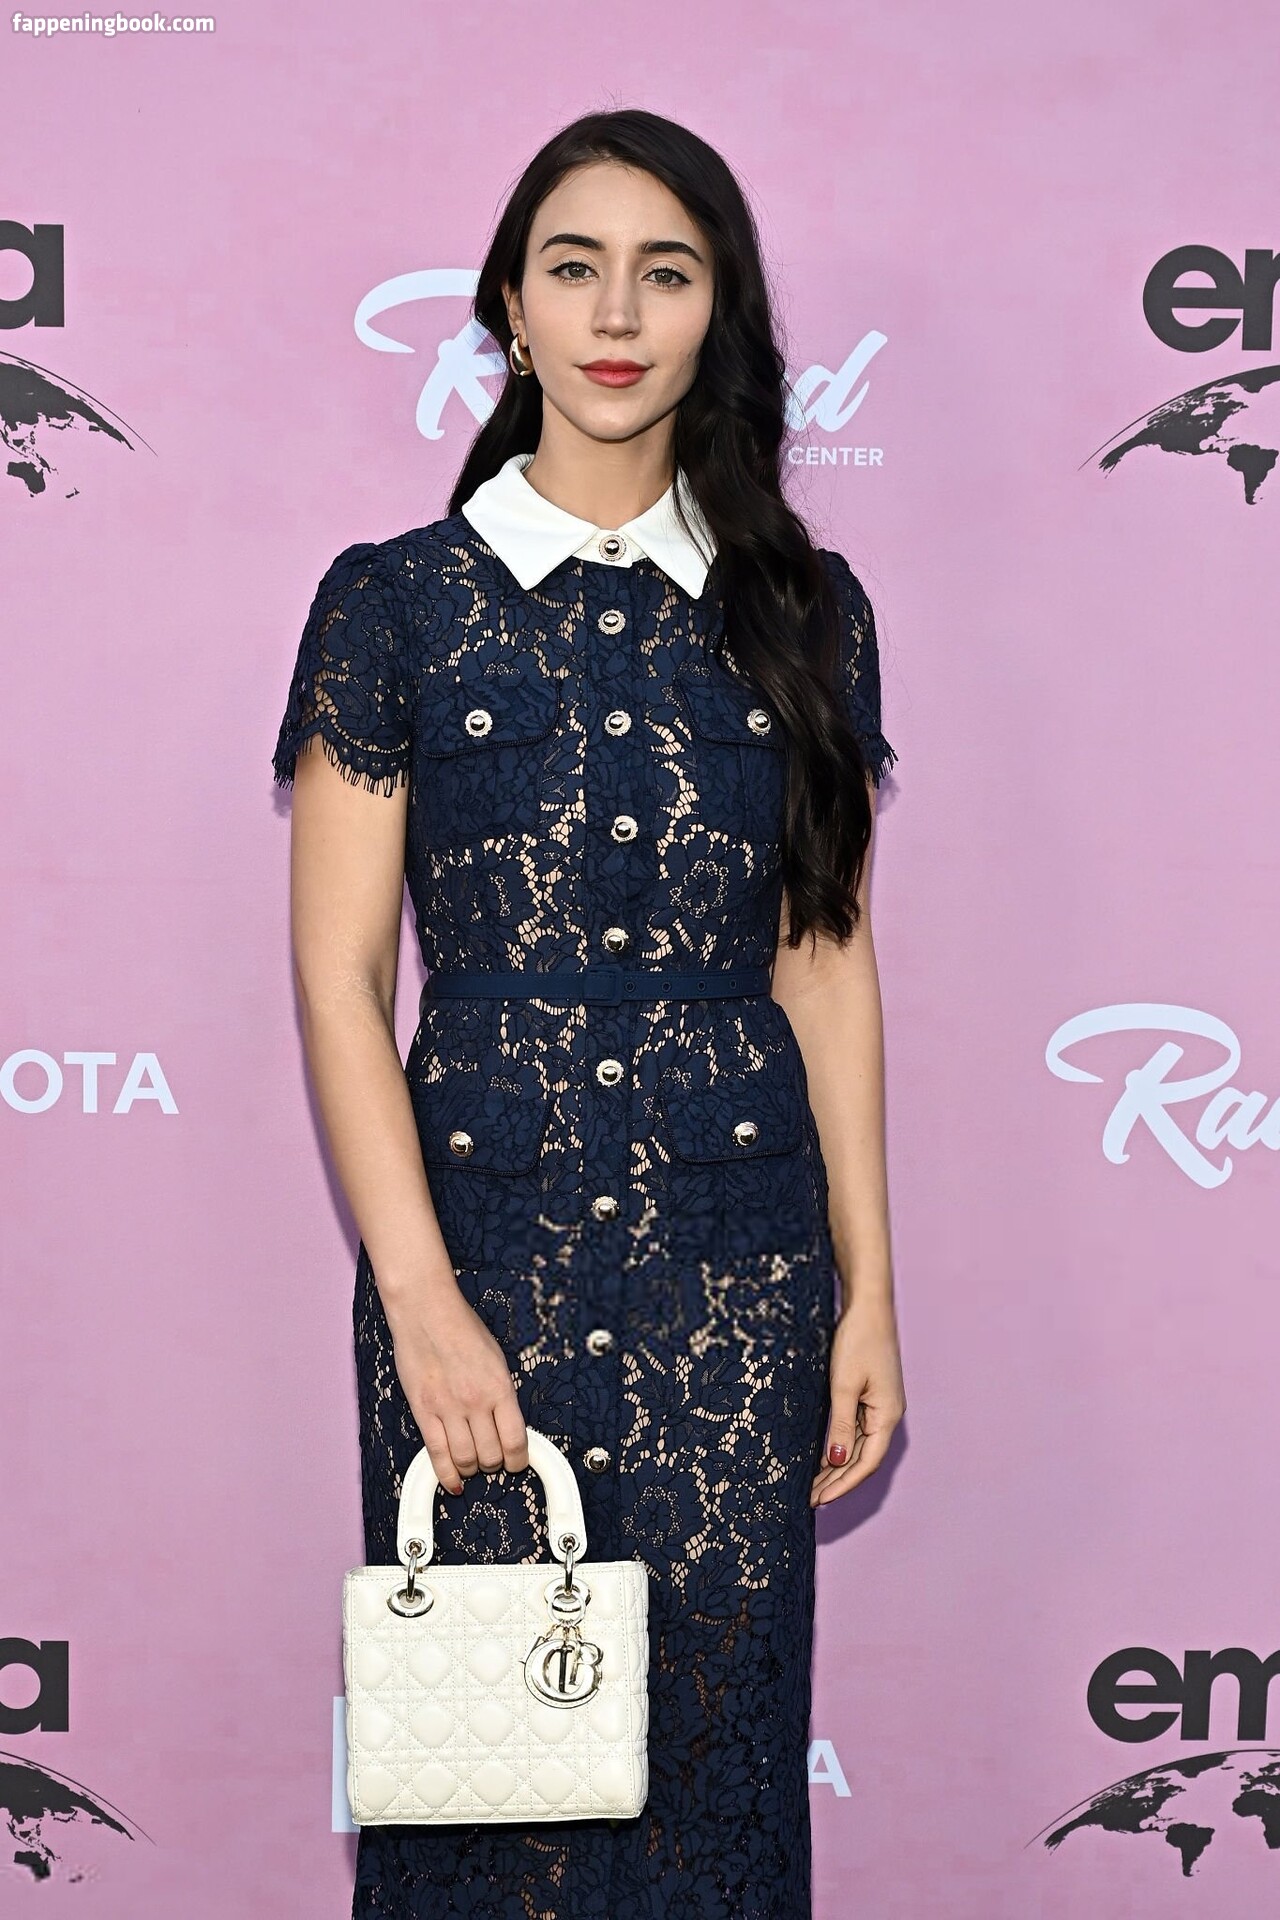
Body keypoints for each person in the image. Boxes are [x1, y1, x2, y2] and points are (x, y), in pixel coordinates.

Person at [272, 105, 905, 1920]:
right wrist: (424, 1309)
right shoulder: (395, 607)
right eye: (575, 268)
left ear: (720, 312)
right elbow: (339, 981)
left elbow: (823, 959)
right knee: (487, 1797)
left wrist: (868, 1290)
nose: (618, 313)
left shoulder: (808, 612)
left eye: (666, 272)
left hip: (740, 1280)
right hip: (482, 1265)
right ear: (511, 307)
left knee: (716, 1786)